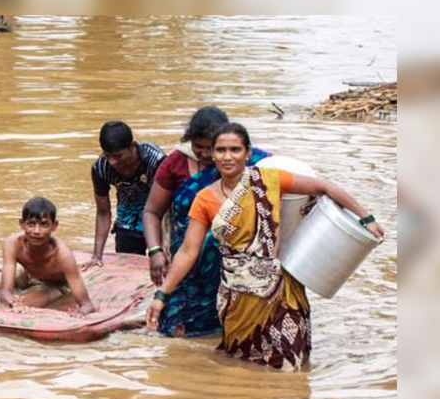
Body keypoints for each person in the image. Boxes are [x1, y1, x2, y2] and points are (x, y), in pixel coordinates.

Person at [147, 123, 384, 370]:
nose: (228, 157)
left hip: (281, 292)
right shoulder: (204, 198)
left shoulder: (269, 181)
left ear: (248, 153)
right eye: (221, 150)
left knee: (290, 366)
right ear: (212, 154)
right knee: (242, 366)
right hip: (237, 299)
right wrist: (161, 296)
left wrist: (366, 219)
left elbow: (324, 187)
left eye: (235, 149)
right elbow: (188, 252)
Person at [142, 106, 271, 337]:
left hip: (236, 264)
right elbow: (152, 211)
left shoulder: (258, 163)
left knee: (236, 327)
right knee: (174, 328)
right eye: (197, 146)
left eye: (208, 148)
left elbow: (289, 195)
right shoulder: (176, 163)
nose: (203, 154)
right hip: (188, 262)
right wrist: (155, 251)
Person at [0, 197, 96, 315]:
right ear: (22, 224)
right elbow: (5, 292)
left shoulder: (62, 255)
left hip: (52, 284)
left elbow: (86, 304)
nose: (36, 231)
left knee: (22, 307)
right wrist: (9, 299)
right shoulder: (12, 243)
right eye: (31, 224)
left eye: (44, 225)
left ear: (54, 226)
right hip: (26, 272)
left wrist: (80, 313)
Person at [83, 120, 166, 268]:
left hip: (158, 218)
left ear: (133, 147)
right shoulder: (101, 168)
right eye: (107, 156)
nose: (112, 162)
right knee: (128, 269)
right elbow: (103, 212)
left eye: (118, 156)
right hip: (128, 222)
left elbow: (169, 206)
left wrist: (165, 246)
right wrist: (97, 256)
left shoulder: (156, 161)